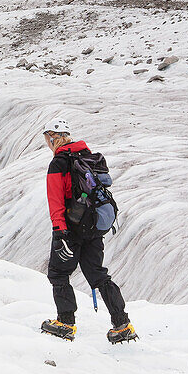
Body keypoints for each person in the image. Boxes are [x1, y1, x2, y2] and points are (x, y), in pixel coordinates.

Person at [38, 118, 137, 344]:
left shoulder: (59, 163)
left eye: (47, 139)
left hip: (71, 228)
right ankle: (122, 324)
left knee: (58, 273)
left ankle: (65, 323)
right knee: (98, 275)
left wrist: (59, 232)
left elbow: (55, 201)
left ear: (54, 138)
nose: (48, 144)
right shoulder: (88, 155)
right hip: (93, 227)